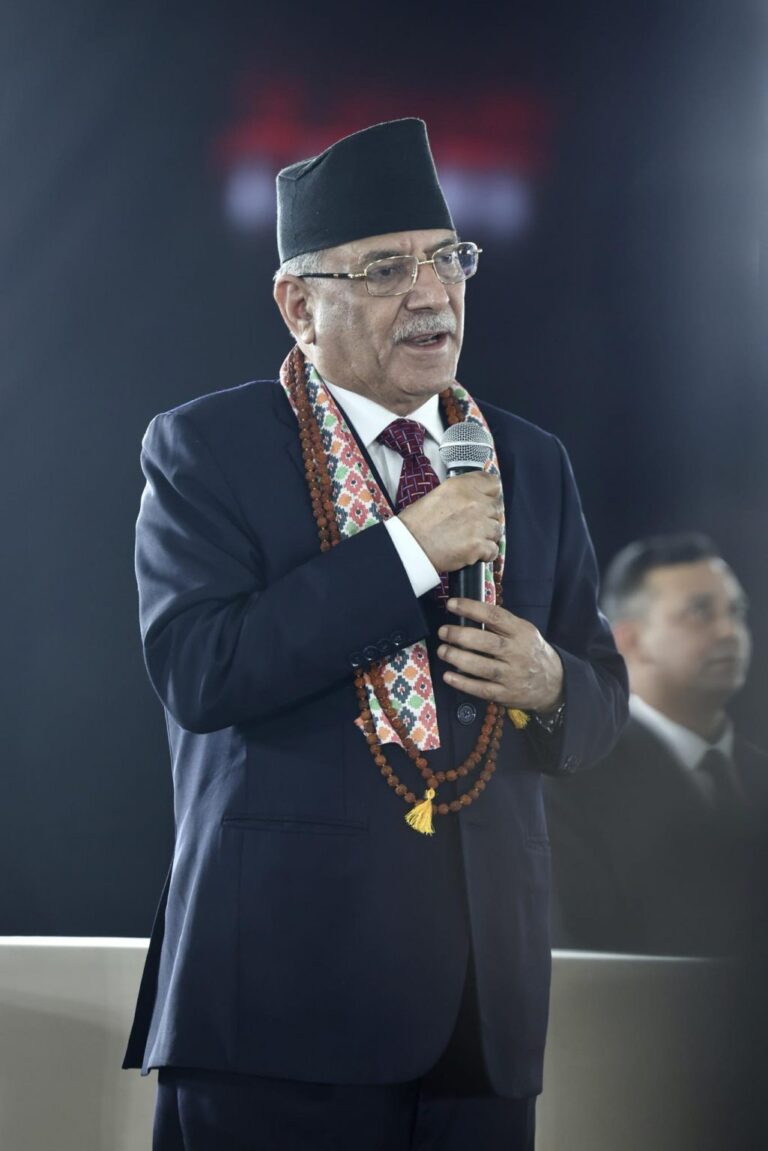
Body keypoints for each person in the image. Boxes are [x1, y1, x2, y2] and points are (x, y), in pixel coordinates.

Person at [123, 118, 628, 1150]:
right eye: (387, 269)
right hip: (281, 1006)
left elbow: (604, 698)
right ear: (298, 305)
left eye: (448, 258)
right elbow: (202, 672)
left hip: (483, 1017)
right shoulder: (209, 448)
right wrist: (408, 549)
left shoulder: (526, 459)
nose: (432, 293)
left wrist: (550, 682)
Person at [545, 532, 768, 957]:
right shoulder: (573, 779)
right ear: (629, 640)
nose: (730, 631)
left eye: (736, 611)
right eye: (700, 612)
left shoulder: (759, 775)